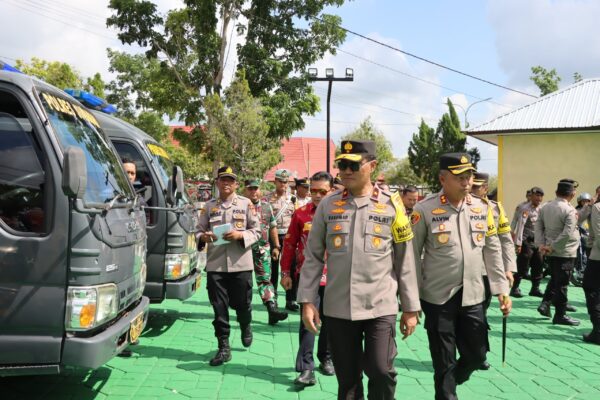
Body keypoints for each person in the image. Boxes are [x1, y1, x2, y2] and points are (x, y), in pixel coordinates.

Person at [298, 140, 420, 400]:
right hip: (339, 307)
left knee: (380, 369)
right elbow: (313, 257)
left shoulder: (392, 205)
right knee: (348, 381)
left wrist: (410, 307)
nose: (346, 170)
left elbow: (405, 259)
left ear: (372, 166)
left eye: (353, 165)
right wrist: (307, 301)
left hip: (380, 304)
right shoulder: (329, 205)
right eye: (342, 164)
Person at [411, 153, 511, 400]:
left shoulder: (482, 207)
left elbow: (492, 248)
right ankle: (446, 390)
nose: (467, 182)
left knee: (477, 355)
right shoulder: (424, 209)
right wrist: (411, 301)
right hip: (438, 297)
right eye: (460, 177)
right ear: (443, 178)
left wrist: (501, 288)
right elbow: (411, 257)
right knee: (443, 359)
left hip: (474, 294)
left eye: (469, 176)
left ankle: (451, 381)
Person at [197, 166, 261, 366]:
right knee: (219, 308)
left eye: (230, 180)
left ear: (235, 184)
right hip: (216, 265)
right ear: (217, 182)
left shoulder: (246, 203)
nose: (226, 183)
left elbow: (257, 231)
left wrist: (240, 235)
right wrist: (204, 237)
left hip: (240, 264)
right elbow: (197, 231)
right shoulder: (208, 207)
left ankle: (245, 324)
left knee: (242, 304)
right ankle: (223, 347)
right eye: (223, 180)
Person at [281, 171, 334, 386]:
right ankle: (306, 368)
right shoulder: (301, 214)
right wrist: (285, 273)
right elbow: (290, 244)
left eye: (323, 191)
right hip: (308, 277)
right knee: (307, 322)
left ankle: (326, 358)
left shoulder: (341, 213)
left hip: (335, 277)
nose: (318, 195)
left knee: (331, 321)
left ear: (331, 190)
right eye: (314, 191)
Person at [470, 171, 516, 370]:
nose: (471, 190)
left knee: (480, 314)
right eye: (471, 186)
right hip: (462, 271)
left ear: (485, 189)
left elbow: (505, 240)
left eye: (476, 187)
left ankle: (479, 353)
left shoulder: (495, 209)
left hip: (487, 271)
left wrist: (509, 268)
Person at [535, 179, 581, 326]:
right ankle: (560, 315)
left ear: (556, 192)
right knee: (562, 284)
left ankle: (546, 304)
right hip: (564, 252)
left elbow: (538, 226)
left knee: (555, 279)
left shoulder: (545, 207)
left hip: (550, 250)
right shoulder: (570, 210)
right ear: (573, 194)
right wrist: (553, 246)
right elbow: (567, 233)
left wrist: (542, 244)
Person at [243, 179, 288, 325]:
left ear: (259, 190)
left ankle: (272, 310)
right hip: (243, 251)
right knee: (244, 283)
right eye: (250, 189)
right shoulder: (240, 205)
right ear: (245, 190)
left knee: (265, 280)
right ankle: (244, 312)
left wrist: (276, 246)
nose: (253, 192)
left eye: (255, 189)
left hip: (263, 250)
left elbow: (273, 227)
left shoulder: (266, 207)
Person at [266, 169, 299, 311]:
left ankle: (290, 299)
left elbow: (296, 218)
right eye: (281, 181)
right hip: (273, 236)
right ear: (275, 182)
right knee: (273, 269)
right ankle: (273, 299)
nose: (283, 184)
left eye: (286, 182)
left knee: (290, 268)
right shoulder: (267, 199)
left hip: (288, 236)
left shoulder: (293, 199)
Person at [511, 187, 545, 298]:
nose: (539, 199)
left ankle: (535, 289)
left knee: (538, 264)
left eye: (541, 196)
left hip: (538, 241)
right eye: (537, 196)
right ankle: (515, 288)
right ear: (531, 196)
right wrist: (518, 243)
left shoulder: (543, 209)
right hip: (526, 240)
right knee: (522, 264)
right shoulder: (525, 208)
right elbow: (520, 226)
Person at [583, 195, 600, 344]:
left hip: (598, 258)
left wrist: (590, 245)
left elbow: (598, 235)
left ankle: (598, 331)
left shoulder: (598, 208)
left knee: (591, 288)